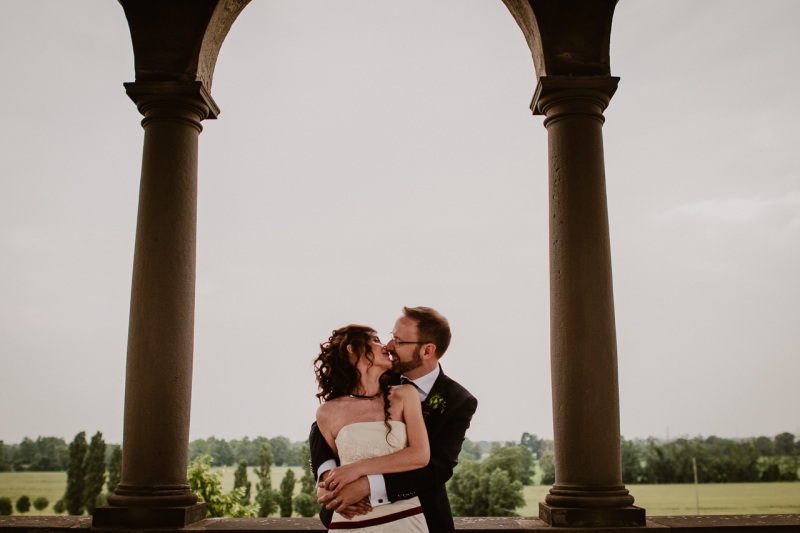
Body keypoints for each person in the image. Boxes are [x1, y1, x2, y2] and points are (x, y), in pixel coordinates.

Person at [310, 306, 478, 533]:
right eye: (390, 337)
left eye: (398, 342)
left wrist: (367, 484)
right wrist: (328, 481)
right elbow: (323, 428)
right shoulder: (375, 371)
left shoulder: (459, 400)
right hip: (350, 513)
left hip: (419, 516)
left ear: (427, 351)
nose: (389, 346)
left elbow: (437, 468)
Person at [313, 324, 430, 532]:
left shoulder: (405, 395)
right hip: (349, 522)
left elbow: (420, 455)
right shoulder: (326, 413)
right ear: (353, 349)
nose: (385, 345)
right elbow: (329, 473)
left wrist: (356, 469)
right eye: (375, 341)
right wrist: (327, 492)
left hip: (405, 521)